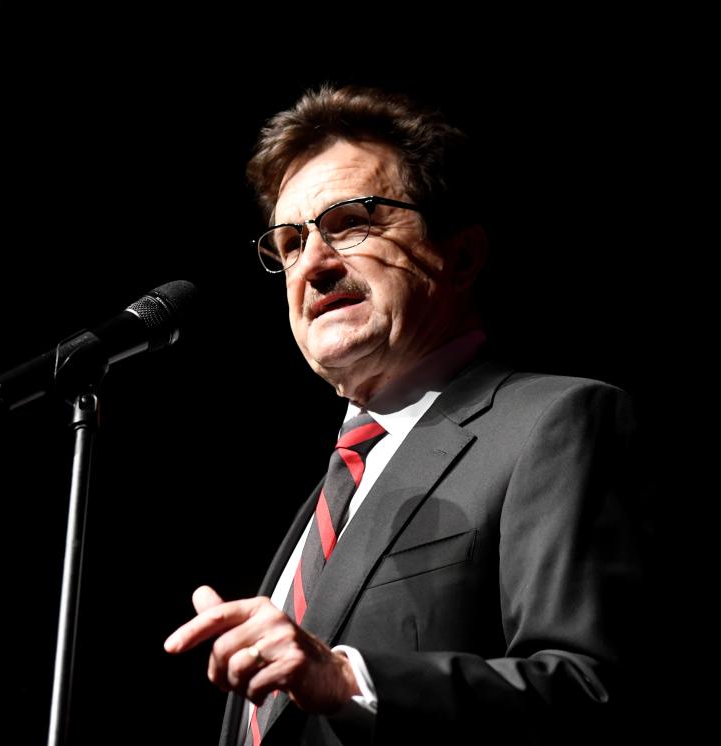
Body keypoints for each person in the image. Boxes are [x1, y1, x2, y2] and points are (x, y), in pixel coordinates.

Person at [164, 85, 649, 745]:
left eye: (351, 222)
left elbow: (592, 691)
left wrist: (349, 681)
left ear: (463, 255)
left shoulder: (553, 421)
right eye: (290, 241)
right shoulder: (327, 497)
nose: (314, 265)